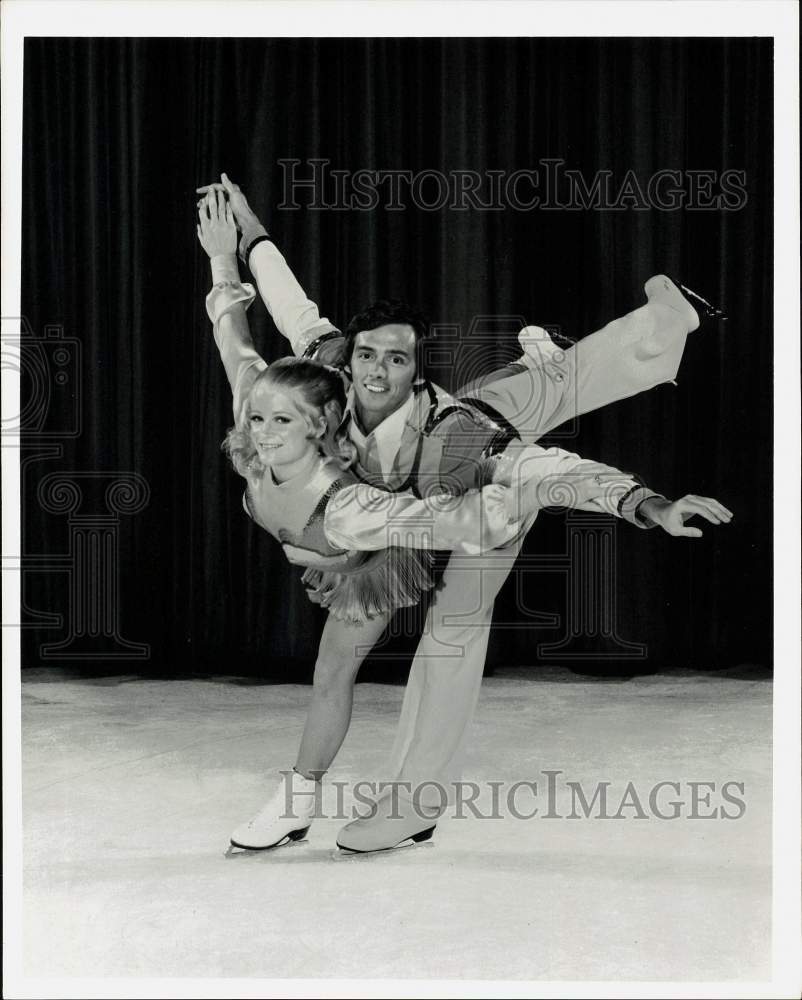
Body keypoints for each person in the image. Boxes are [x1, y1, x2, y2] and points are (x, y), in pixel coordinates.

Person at [198, 177, 733, 853]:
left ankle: (411, 809)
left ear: (420, 372)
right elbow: (285, 306)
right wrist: (245, 235)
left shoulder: (451, 434)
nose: (375, 371)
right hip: (400, 511)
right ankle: (633, 333)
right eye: (367, 355)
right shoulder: (323, 378)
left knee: (453, 629)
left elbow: (545, 471)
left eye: (396, 360)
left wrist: (647, 504)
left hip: (475, 496)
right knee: (534, 385)